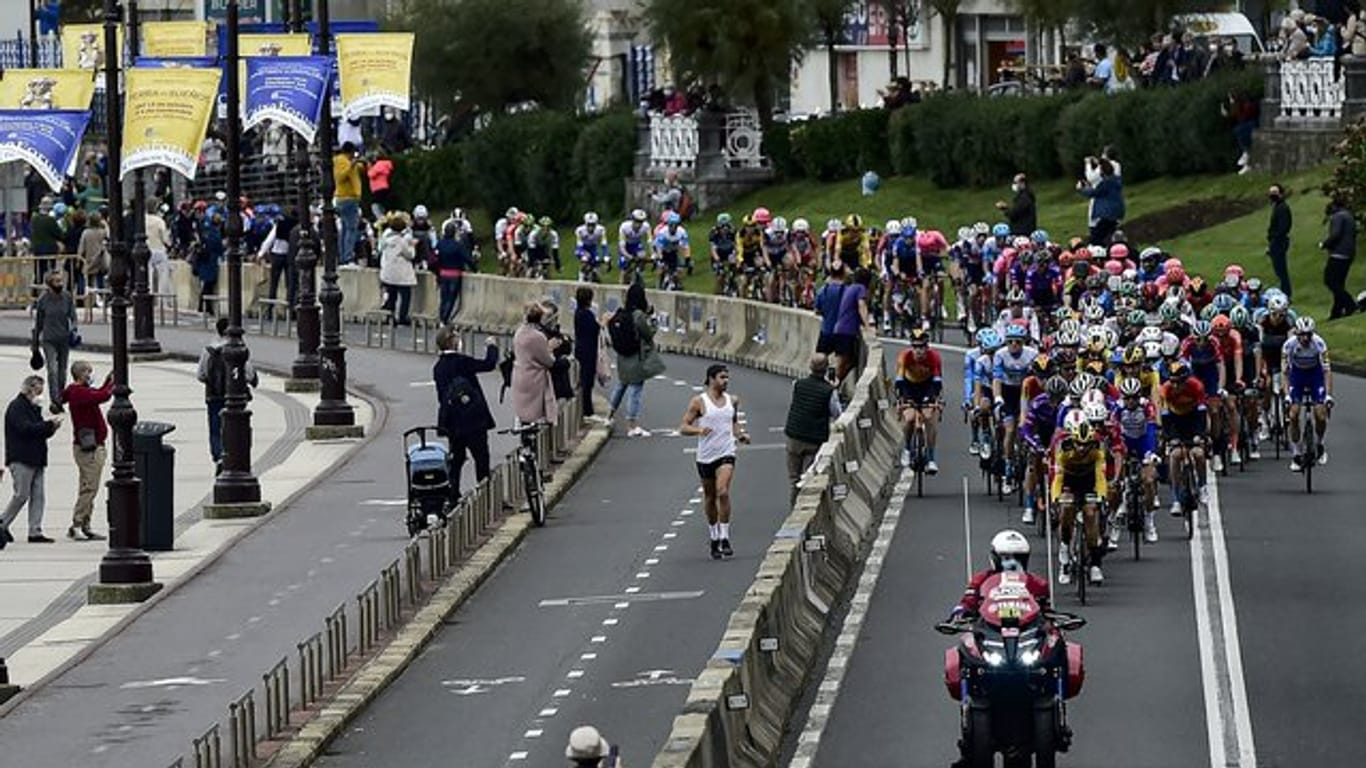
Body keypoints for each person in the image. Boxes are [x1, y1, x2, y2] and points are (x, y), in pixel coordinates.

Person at [679, 364, 750, 559]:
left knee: (723, 491)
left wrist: (740, 435)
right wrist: (699, 430)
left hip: (726, 451)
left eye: (727, 378)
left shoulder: (732, 401)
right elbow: (683, 427)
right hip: (705, 455)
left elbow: (733, 422)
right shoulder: (699, 402)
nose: (725, 381)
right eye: (721, 377)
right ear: (711, 379)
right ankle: (714, 537)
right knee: (710, 497)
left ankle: (725, 537)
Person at [433, 329, 500, 499]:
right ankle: (484, 494)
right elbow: (489, 364)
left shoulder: (439, 367)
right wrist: (492, 347)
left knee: (457, 458)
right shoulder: (462, 362)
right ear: (452, 342)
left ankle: (453, 493)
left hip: (452, 422)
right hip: (473, 420)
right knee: (481, 458)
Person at [3, 376, 61, 546]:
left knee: (38, 496)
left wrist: (51, 428)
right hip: (22, 458)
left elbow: (39, 431)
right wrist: (48, 425)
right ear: (29, 389)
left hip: (37, 458)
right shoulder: (17, 407)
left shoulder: (33, 407)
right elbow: (25, 429)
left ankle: (35, 531)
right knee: (21, 494)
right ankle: (2, 523)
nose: (40, 395)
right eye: (39, 391)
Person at [196, 318, 258, 472]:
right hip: (235, 397)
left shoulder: (208, 350)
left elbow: (201, 374)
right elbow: (249, 374)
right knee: (235, 427)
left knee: (215, 429)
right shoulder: (238, 348)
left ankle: (218, 457)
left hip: (213, 396)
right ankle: (233, 455)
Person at [60, 360, 111, 541]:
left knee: (88, 486)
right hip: (89, 449)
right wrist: (111, 385)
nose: (91, 375)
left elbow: (98, 392)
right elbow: (101, 396)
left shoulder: (77, 391)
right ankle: (77, 524)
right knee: (90, 487)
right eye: (88, 372)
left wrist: (107, 382)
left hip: (94, 446)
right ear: (81, 374)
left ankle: (86, 524)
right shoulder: (78, 392)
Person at [606, 281, 666, 436]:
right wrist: (652, 319)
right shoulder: (638, 315)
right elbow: (648, 333)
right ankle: (632, 425)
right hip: (636, 357)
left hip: (622, 358)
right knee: (635, 390)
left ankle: (608, 416)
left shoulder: (621, 313)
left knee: (621, 386)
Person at [783, 353, 842, 505]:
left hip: (794, 436)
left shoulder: (798, 384)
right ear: (826, 369)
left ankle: (793, 508)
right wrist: (833, 387)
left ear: (810, 367)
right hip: (814, 440)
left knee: (794, 479)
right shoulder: (829, 391)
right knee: (807, 478)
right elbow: (837, 413)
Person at [951, 530, 1051, 617]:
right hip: (987, 629)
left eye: (1018, 558)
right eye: (1006, 558)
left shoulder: (1038, 583)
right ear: (995, 558)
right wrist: (961, 610)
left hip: (1028, 630)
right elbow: (968, 601)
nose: (1012, 563)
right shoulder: (980, 580)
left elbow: (1046, 610)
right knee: (968, 638)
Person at [1282, 315, 1332, 472]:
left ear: (1312, 334)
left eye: (1308, 334)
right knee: (1294, 414)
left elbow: (1327, 371)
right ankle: (1296, 454)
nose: (1305, 338)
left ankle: (1320, 444)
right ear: (1296, 334)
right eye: (1302, 335)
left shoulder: (1319, 343)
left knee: (1320, 413)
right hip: (1297, 376)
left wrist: (1328, 394)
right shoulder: (1289, 345)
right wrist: (1287, 395)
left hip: (1315, 375)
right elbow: (1285, 372)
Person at [894, 328, 944, 474]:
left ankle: (931, 458)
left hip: (928, 386)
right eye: (915, 347)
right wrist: (901, 400)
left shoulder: (934, 357)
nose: (918, 351)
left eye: (921, 347)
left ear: (926, 347)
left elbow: (937, 382)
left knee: (928, 416)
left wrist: (934, 400)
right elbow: (899, 382)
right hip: (908, 387)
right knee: (909, 418)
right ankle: (907, 449)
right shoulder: (904, 356)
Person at [512, 302, 563, 426]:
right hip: (534, 380)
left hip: (519, 376)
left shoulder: (519, 333)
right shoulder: (538, 337)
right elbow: (548, 361)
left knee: (524, 414)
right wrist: (550, 348)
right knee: (536, 416)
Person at [34, 270, 77, 414]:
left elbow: (73, 316)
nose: (60, 284)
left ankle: (60, 397)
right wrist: (35, 346)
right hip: (48, 340)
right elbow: (38, 323)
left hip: (64, 339)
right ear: (49, 283)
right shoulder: (43, 300)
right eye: (57, 281)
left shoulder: (67, 297)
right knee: (52, 370)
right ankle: (55, 401)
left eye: (61, 280)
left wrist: (74, 330)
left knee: (62, 372)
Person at [1319, 195, 1358, 319]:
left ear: (1335, 206)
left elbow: (1335, 234)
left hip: (1338, 253)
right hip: (1349, 253)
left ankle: (1350, 304)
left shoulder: (1338, 217)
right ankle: (1336, 312)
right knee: (1339, 283)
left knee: (1330, 280)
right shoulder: (1349, 216)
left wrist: (1325, 244)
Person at [378, 213, 417, 325]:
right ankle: (402, 317)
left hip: (388, 272)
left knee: (391, 296)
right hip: (402, 274)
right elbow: (411, 255)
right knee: (405, 296)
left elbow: (380, 248)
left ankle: (389, 316)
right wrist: (412, 245)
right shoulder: (402, 241)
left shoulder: (386, 238)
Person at [332, 142, 366, 265]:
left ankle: (343, 256)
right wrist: (352, 165)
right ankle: (348, 257)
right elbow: (340, 176)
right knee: (351, 229)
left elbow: (358, 170)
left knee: (346, 228)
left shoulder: (348, 161)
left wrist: (361, 162)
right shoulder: (341, 161)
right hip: (347, 198)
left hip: (348, 198)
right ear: (350, 152)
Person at [1078, 159, 1124, 246]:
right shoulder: (1116, 180)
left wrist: (1082, 189)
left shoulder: (1105, 183)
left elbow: (1093, 193)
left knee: (1096, 239)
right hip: (1117, 213)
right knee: (1110, 235)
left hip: (1104, 214)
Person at [436, 221, 474, 323]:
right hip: (455, 274)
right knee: (451, 298)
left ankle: (441, 316)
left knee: (443, 297)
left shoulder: (440, 244)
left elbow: (436, 258)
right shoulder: (458, 245)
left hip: (443, 273)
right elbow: (467, 258)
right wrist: (474, 268)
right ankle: (445, 318)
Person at [573, 287, 602, 418]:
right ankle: (587, 411)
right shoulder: (586, 314)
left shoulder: (578, 313)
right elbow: (594, 330)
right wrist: (603, 323)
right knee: (587, 380)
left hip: (581, 347)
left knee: (585, 379)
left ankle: (586, 409)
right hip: (587, 349)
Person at [1266, 184, 1293, 299]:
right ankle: (1285, 292)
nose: (1272, 195)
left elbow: (1284, 227)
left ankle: (1286, 293)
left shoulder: (1282, 208)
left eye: (1275, 192)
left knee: (1281, 271)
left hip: (1279, 243)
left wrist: (1274, 238)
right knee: (1279, 270)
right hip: (1276, 242)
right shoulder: (1277, 207)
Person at [197, 213, 225, 315]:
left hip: (205, 260)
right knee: (209, 286)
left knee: (206, 285)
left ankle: (204, 306)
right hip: (211, 261)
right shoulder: (215, 234)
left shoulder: (206, 231)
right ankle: (205, 307)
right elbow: (219, 248)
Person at [144, 199, 173, 296]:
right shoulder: (159, 221)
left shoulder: (143, 220)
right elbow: (164, 238)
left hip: (147, 249)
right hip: (158, 249)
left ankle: (149, 296)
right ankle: (162, 297)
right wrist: (169, 245)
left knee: (148, 277)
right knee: (163, 275)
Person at [78, 211, 109, 297]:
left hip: (89, 258)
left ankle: (87, 297)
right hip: (101, 258)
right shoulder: (103, 232)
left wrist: (79, 257)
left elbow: (82, 246)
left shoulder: (86, 232)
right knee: (100, 279)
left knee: (88, 280)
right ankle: (102, 297)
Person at [367, 149, 394, 220]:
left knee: (375, 205)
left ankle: (381, 219)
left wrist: (369, 166)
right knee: (383, 205)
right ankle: (385, 218)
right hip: (384, 187)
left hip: (378, 189)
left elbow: (370, 174)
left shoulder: (379, 165)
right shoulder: (386, 164)